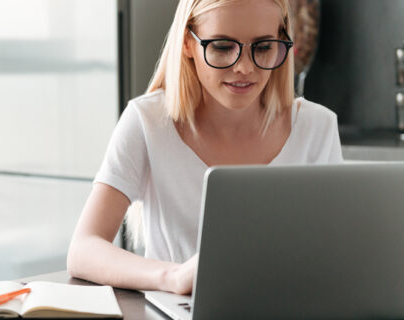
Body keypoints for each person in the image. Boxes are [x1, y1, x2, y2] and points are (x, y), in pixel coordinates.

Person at [67, 0, 343, 295]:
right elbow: (83, 249)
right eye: (223, 47)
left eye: (263, 47)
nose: (244, 68)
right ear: (187, 42)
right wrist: (173, 277)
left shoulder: (318, 127)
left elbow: (340, 254)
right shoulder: (147, 122)